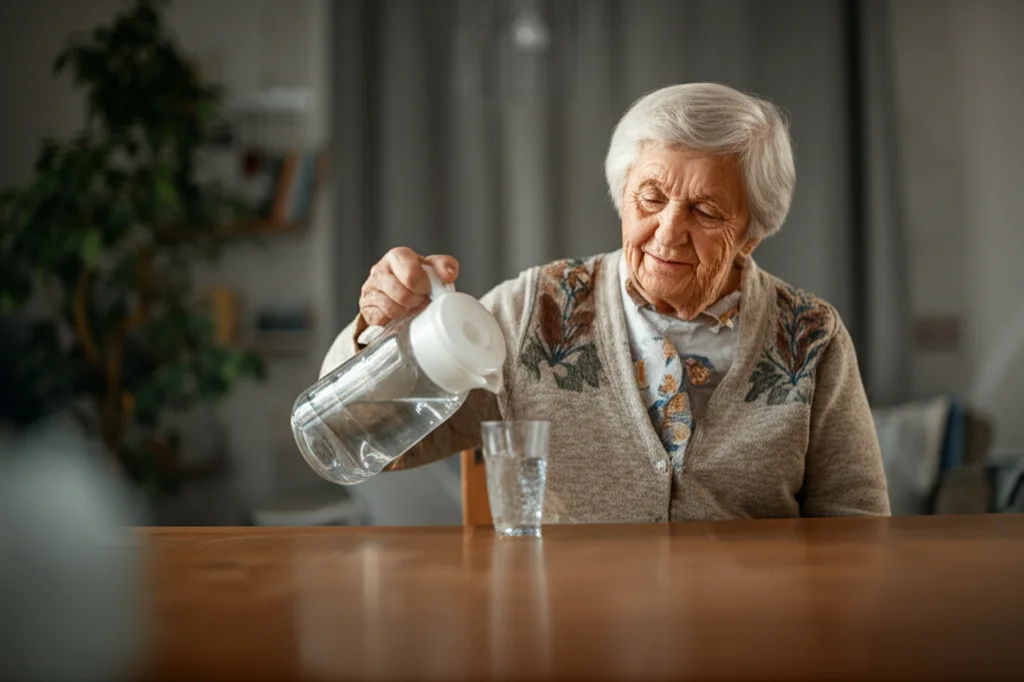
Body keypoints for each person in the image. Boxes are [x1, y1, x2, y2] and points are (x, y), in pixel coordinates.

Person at [322, 82, 890, 522]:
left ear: (751, 233)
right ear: (622, 195)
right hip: (571, 619)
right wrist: (382, 332)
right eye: (651, 198)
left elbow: (857, 522)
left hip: (750, 621)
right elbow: (357, 433)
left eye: (705, 211)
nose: (668, 232)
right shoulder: (536, 311)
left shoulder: (809, 334)